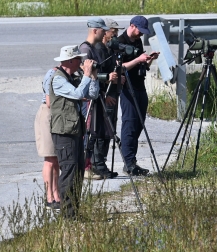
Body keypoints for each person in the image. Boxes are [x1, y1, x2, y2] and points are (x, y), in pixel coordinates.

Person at [50, 45, 100, 218]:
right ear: (70, 60)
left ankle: (74, 212)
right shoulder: (58, 79)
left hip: (75, 131)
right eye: (78, 59)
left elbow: (91, 95)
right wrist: (86, 75)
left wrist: (92, 77)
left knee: (78, 172)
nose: (81, 62)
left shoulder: (72, 78)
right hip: (63, 133)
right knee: (69, 172)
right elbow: (79, 94)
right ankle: (67, 215)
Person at [118, 15, 159, 176]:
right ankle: (129, 162)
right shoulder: (120, 42)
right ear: (132, 26)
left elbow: (141, 64)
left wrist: (149, 60)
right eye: (139, 31)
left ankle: (131, 160)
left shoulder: (137, 41)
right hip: (128, 88)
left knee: (139, 123)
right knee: (129, 123)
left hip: (140, 86)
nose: (141, 34)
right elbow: (120, 68)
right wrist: (137, 59)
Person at [79, 17, 120, 179]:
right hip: (88, 98)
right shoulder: (85, 49)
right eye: (102, 29)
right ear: (95, 30)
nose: (105, 32)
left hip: (96, 95)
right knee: (88, 132)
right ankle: (86, 166)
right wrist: (107, 78)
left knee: (95, 131)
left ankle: (91, 165)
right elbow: (86, 74)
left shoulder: (94, 48)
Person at [34, 68, 61, 210]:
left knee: (56, 159)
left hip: (57, 116)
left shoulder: (69, 74)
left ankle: (56, 193)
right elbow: (50, 101)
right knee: (49, 159)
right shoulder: (53, 74)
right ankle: (49, 196)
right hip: (48, 114)